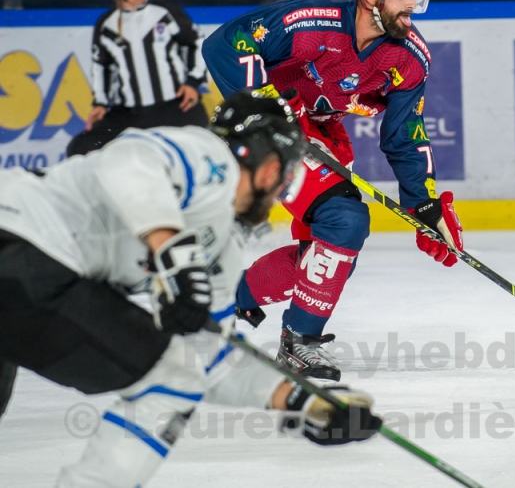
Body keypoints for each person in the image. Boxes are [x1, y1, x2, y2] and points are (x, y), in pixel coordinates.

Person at [0, 91, 382, 487]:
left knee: (180, 372)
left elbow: (207, 356)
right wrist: (174, 253)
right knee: (172, 379)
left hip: (21, 265)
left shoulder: (220, 244)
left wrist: (302, 400)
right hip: (22, 247)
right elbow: (125, 162)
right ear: (270, 170)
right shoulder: (208, 155)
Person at [202, 0, 465, 382]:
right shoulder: (310, 21)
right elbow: (225, 43)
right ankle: (299, 341)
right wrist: (270, 111)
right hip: (266, 134)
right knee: (344, 220)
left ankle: (226, 298)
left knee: (329, 252)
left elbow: (405, 134)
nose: (412, 6)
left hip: (320, 132)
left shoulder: (409, 56)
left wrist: (424, 202)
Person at [66, 0, 208, 157]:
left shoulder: (164, 13)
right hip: (129, 114)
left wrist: (193, 82)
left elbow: (198, 42)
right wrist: (100, 103)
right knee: (81, 149)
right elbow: (101, 66)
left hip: (174, 108)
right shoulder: (106, 24)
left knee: (204, 147)